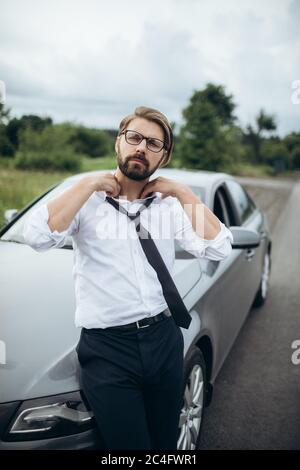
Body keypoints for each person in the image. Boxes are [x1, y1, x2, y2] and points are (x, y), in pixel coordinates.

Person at [23, 106, 233, 450]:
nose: (141, 147)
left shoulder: (168, 207)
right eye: (133, 137)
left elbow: (219, 247)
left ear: (162, 157)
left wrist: (184, 193)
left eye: (153, 144)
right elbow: (37, 236)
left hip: (164, 339)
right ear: (118, 143)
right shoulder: (87, 201)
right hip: (108, 350)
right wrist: (89, 182)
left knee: (165, 440)